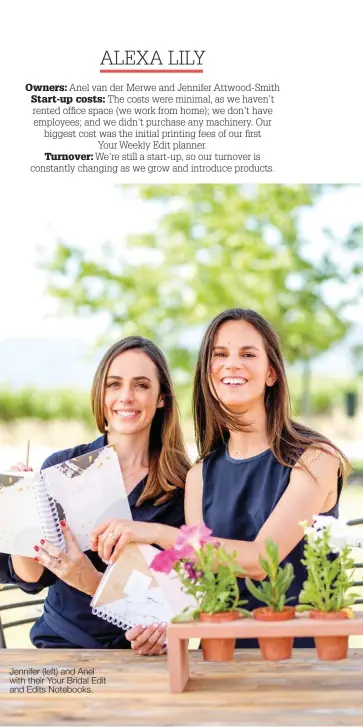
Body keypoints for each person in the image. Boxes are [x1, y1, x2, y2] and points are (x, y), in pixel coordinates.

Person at [94, 309, 350, 648]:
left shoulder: (313, 459)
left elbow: (262, 560)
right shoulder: (200, 475)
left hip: (302, 657)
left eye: (247, 354)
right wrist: (160, 626)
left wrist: (157, 532)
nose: (231, 364)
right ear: (207, 373)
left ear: (271, 373)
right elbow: (200, 579)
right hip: (221, 657)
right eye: (220, 354)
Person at [1, 336, 190, 652]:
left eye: (141, 385)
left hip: (143, 653)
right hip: (61, 645)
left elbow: (181, 594)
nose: (126, 397)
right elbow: (32, 576)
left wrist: (163, 632)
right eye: (114, 384)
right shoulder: (62, 467)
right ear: (101, 393)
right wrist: (18, 508)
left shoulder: (184, 486)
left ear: (162, 398)